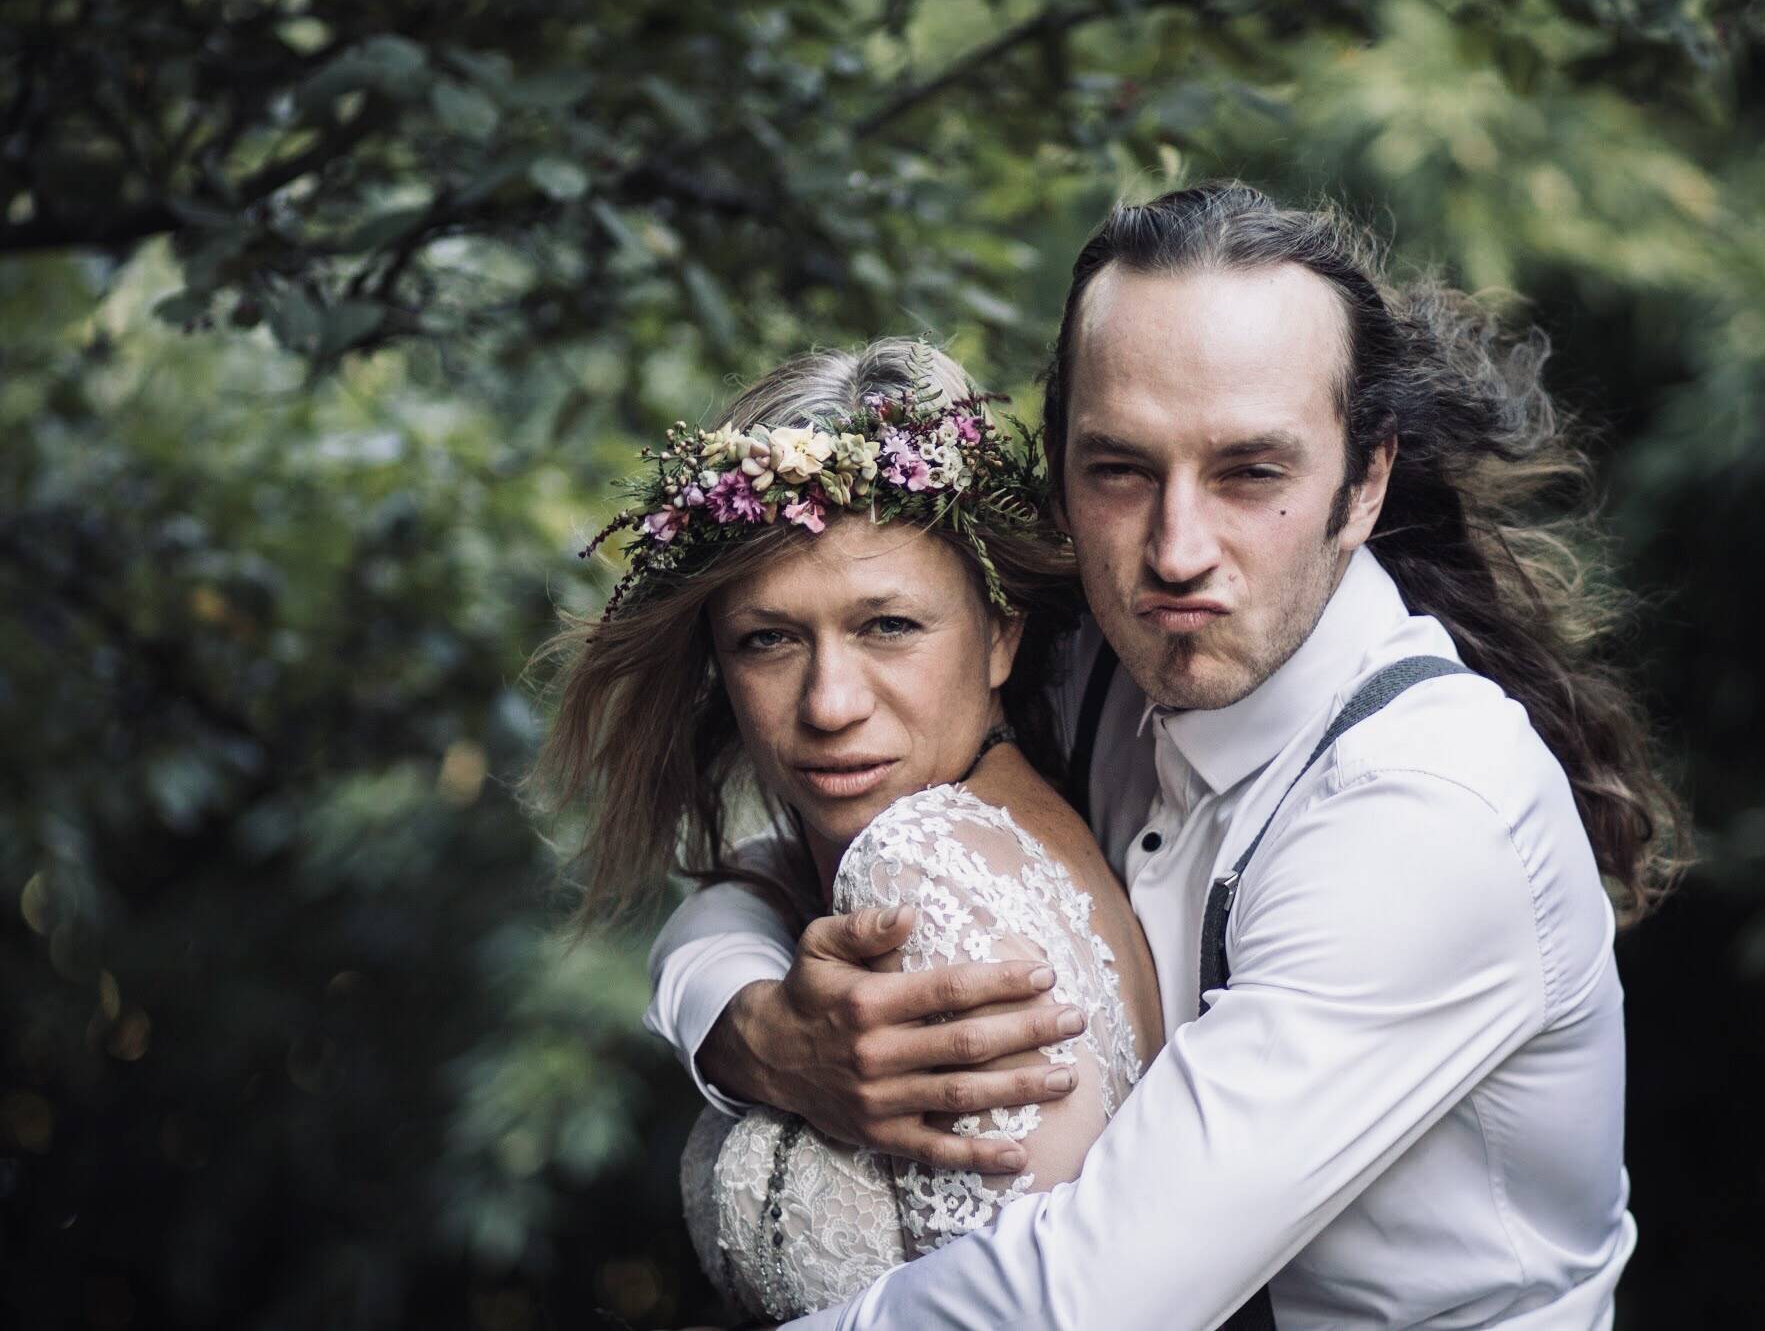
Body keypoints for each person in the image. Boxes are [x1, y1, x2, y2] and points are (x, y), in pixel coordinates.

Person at [649, 182, 1687, 1329]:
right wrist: (750, 1028)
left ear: (1366, 479)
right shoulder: (1098, 654)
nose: (1177, 550)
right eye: (1121, 471)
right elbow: (765, 863)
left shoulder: (1426, 813)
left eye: (1251, 473)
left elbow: (1091, 1296)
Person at [527, 339, 1167, 1325]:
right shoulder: (1009, 821)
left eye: (889, 626)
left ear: (1002, 632)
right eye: (769, 639)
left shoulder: (921, 868)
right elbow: (732, 898)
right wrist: (744, 1025)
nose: (829, 703)